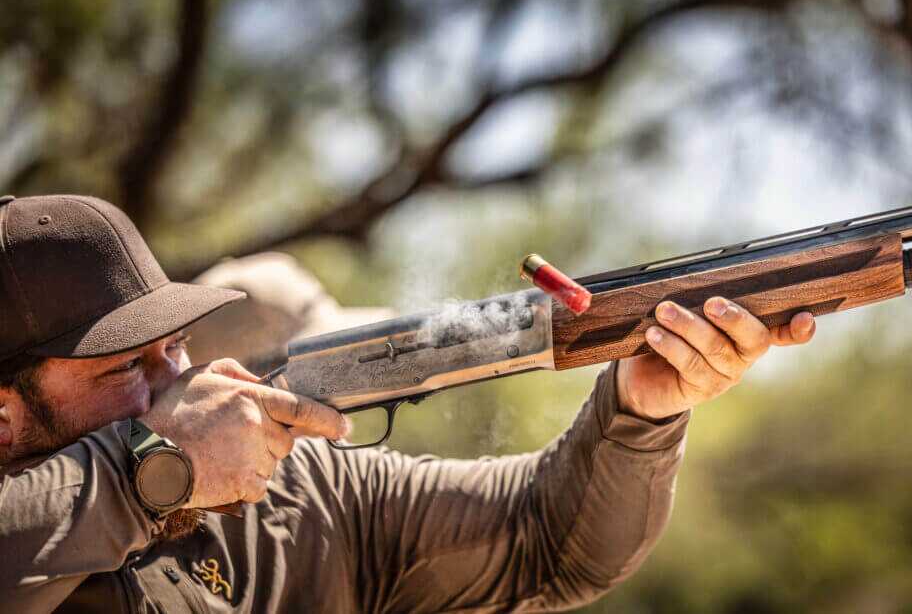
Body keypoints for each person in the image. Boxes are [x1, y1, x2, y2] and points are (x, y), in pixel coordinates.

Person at [0, 194, 815, 613]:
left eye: (172, 346)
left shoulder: (289, 490)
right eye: (121, 369)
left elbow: (551, 539)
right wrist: (154, 469)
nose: (172, 383)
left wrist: (640, 410)